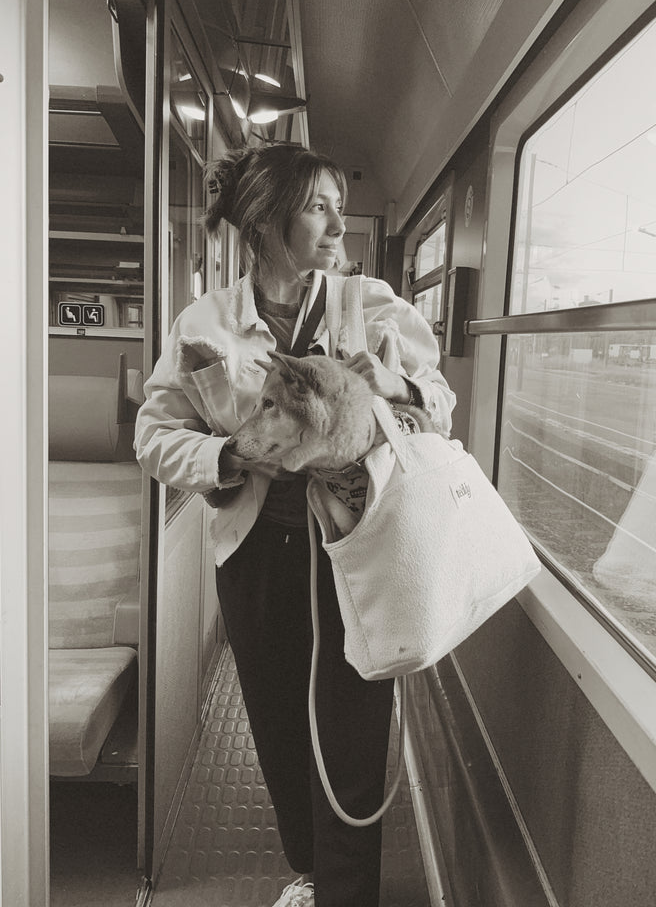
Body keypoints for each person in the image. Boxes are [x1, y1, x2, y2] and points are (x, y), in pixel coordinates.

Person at [134, 142, 455, 907]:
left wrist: (394, 381)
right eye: (318, 205)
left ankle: (348, 894)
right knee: (277, 727)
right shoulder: (204, 322)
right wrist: (232, 455)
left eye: (340, 204)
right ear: (264, 220)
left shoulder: (370, 305)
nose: (339, 222)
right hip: (256, 557)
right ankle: (311, 870)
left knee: (350, 729)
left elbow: (439, 405)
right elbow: (153, 436)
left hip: (356, 550)